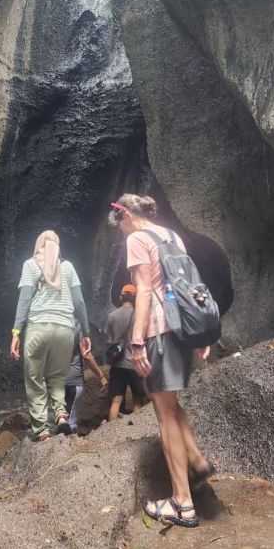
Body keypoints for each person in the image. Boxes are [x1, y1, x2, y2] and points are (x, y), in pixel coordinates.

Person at [109, 194, 215, 528]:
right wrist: (200, 334)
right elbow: (189, 285)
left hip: (159, 331)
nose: (122, 234)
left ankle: (182, 503)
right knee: (169, 402)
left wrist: (137, 340)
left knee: (164, 413)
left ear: (126, 216)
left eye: (120, 227)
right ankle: (196, 458)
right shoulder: (172, 236)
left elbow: (143, 291)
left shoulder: (138, 239)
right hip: (183, 328)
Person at [10, 230, 91, 442]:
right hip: (65, 330)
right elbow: (79, 302)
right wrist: (86, 332)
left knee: (35, 379)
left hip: (38, 328)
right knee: (57, 376)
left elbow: (24, 300)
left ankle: (42, 432)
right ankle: (61, 416)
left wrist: (16, 332)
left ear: (38, 246)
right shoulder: (68, 267)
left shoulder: (30, 265)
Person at [105, 284, 144, 421]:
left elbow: (109, 340)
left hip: (118, 364)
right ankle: (138, 430)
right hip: (135, 363)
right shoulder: (140, 316)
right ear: (135, 298)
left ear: (121, 297)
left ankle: (111, 431)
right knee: (138, 400)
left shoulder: (112, 316)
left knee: (116, 401)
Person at [65, 323, 108, 433]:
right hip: (73, 380)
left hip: (54, 380)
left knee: (61, 414)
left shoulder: (49, 324)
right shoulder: (76, 325)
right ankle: (68, 439)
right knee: (71, 419)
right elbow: (86, 355)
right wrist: (101, 376)